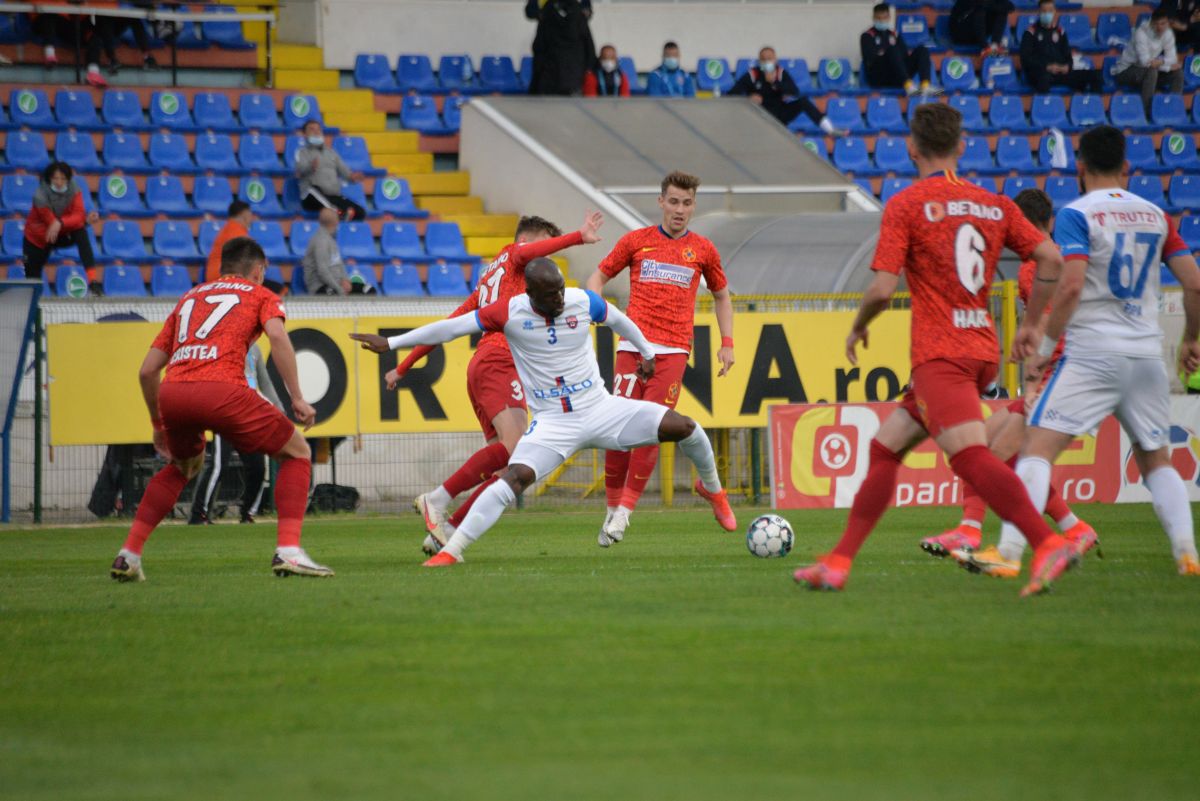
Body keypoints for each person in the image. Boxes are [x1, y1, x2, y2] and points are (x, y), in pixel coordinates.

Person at [792, 103, 1093, 597]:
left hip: (941, 353)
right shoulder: (994, 203)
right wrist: (1032, 324)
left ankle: (1047, 542)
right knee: (885, 448)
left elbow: (881, 290)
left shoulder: (907, 204)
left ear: (912, 148)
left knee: (972, 458)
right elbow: (1051, 258)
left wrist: (858, 328)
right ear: (961, 146)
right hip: (981, 349)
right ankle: (838, 562)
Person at [351, 260, 738, 567]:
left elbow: (618, 319)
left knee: (686, 427)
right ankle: (452, 550)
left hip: (601, 409)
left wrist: (648, 352)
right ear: (531, 294)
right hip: (553, 423)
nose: (559, 299)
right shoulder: (509, 312)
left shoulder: (581, 300)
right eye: (550, 295)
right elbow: (450, 329)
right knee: (512, 478)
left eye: (560, 290)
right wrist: (392, 343)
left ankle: (714, 491)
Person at [991, 125, 1200, 577]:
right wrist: (1191, 338)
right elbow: (1194, 282)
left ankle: (1008, 553)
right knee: (1157, 461)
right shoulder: (1157, 216)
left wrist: (1045, 347)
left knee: (1035, 450)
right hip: (1145, 355)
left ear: (1080, 168)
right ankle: (1187, 554)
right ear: (1126, 168)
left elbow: (1069, 286)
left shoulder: (1077, 214)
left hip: (1093, 354)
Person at [110, 237, 332, 582]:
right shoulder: (261, 294)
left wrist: (157, 423)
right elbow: (277, 337)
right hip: (223, 389)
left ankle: (129, 555)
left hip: (174, 392)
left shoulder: (189, 297)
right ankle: (289, 550)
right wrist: (298, 398)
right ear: (258, 270)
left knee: (183, 465)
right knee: (297, 452)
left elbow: (147, 371)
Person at [382, 213, 602, 554]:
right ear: (526, 242)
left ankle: (447, 531)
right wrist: (578, 236)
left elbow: (449, 324)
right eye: (541, 249)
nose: (542, 260)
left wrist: (404, 366)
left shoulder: (488, 279)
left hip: (483, 366)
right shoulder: (515, 255)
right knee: (517, 449)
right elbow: (530, 253)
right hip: (500, 362)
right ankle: (437, 499)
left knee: (505, 469)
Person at [917, 188, 1096, 577]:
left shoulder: (1036, 268)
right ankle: (1074, 528)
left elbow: (1046, 326)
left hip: (1055, 375)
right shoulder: (1066, 260)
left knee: (990, 457)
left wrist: (1033, 381)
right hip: (1064, 370)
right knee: (985, 445)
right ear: (1050, 220)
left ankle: (975, 533)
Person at [585, 171, 735, 546]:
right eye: (673, 201)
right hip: (632, 347)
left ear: (693, 206)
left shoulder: (703, 249)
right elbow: (596, 279)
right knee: (615, 431)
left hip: (673, 350)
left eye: (687, 203)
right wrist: (599, 310)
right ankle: (611, 509)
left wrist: (727, 342)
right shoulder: (636, 241)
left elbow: (722, 295)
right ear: (661, 202)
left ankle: (624, 514)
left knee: (651, 428)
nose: (679, 210)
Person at [188, 342, 283, 526]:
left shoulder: (254, 348)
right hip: (226, 412)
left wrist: (279, 409)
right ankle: (199, 515)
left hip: (249, 415)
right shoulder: (221, 343)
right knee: (218, 465)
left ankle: (248, 514)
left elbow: (264, 382)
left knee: (257, 467)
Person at [729, 46, 848, 136]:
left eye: (769, 59)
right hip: (760, 114)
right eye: (763, 59)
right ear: (759, 61)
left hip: (779, 113)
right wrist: (748, 100)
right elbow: (731, 94)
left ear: (775, 60)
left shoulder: (780, 73)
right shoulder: (752, 75)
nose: (766, 62)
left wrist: (775, 83)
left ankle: (830, 129)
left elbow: (794, 91)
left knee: (803, 101)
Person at [23, 161, 101, 293]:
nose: (59, 182)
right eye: (55, 178)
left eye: (63, 178)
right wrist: (82, 221)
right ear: (49, 179)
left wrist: (63, 222)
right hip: (37, 239)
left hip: (59, 234)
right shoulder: (40, 195)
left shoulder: (74, 189)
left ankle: (93, 281)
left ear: (68, 179)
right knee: (32, 280)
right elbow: (51, 223)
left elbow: (78, 214)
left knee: (81, 232)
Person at [1019, 0, 1103, 93]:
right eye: (1044, 11)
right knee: (1043, 79)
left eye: (1050, 11)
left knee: (1095, 76)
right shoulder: (1030, 32)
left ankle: (1091, 101)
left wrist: (1066, 67)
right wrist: (1047, 67)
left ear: (1055, 12)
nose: (1047, 14)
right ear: (1039, 12)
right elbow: (1026, 59)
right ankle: (1045, 102)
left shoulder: (1060, 31)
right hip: (1041, 73)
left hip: (1060, 73)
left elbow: (1068, 56)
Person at [1115, 7, 1185, 117]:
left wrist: (1162, 63)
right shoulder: (1141, 34)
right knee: (1151, 72)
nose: (1160, 27)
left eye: (1163, 23)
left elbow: (1172, 59)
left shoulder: (1168, 33)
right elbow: (1145, 63)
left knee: (1178, 73)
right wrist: (1165, 65)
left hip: (1150, 69)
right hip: (1126, 71)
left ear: (1168, 23)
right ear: (1151, 23)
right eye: (1157, 24)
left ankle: (1174, 110)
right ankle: (1146, 113)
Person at [861, 4, 939, 96]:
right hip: (880, 77)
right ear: (873, 18)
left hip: (897, 76)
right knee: (892, 49)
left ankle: (925, 85)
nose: (881, 21)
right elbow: (871, 59)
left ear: (889, 17)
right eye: (878, 18)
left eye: (884, 17)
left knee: (922, 49)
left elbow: (904, 56)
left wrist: (888, 54)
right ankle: (908, 86)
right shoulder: (867, 36)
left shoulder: (895, 34)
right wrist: (888, 54)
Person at [294, 119, 365, 221]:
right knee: (315, 193)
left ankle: (340, 217)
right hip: (311, 196)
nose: (316, 132)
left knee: (360, 212)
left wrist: (353, 177)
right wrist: (310, 167)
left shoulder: (331, 153)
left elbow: (345, 173)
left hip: (332, 196)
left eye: (318, 129)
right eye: (312, 129)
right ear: (305, 134)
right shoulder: (302, 152)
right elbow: (299, 171)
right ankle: (338, 213)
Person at [527, 0, 595, 96]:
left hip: (550, 74)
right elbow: (589, 46)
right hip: (573, 75)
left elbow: (538, 47)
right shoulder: (577, 14)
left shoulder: (548, 11)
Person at [303, 208, 373, 295]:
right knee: (334, 294)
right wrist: (339, 289)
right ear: (335, 221)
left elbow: (339, 263)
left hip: (338, 284)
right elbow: (322, 272)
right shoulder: (320, 241)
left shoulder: (331, 239)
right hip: (322, 287)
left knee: (369, 290)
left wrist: (346, 281)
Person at [205, 200, 254, 284]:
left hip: (217, 277)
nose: (251, 219)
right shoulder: (237, 232)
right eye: (250, 214)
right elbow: (258, 260)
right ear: (244, 214)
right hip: (224, 278)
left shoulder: (228, 229)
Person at [949, 0, 1015, 55]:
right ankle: (985, 47)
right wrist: (984, 45)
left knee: (1003, 8)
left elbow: (1010, 7)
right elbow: (980, 5)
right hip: (961, 31)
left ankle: (995, 45)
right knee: (981, 7)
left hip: (978, 34)